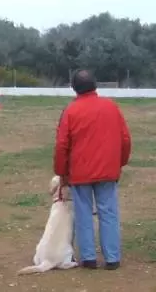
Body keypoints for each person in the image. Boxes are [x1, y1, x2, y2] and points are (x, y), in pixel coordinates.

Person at [54, 69, 132, 270]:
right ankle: (112, 257)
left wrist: (61, 172)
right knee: (109, 212)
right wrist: (119, 162)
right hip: (107, 170)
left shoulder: (70, 111)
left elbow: (62, 144)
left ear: (74, 89)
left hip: (80, 172)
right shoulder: (111, 107)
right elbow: (125, 139)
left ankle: (88, 257)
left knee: (83, 213)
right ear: (95, 85)